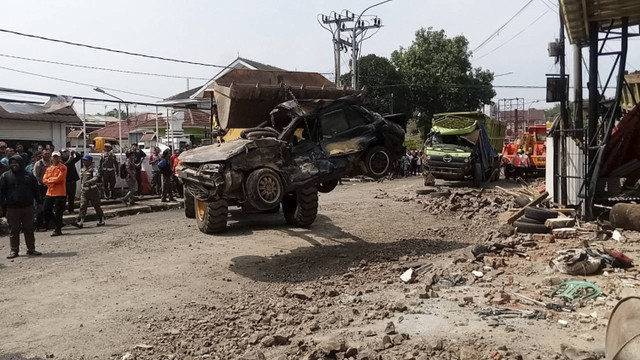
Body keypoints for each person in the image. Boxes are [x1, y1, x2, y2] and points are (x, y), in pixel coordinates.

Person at [0, 154, 43, 258]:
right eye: (11, 163)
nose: (14, 164)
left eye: (16, 162)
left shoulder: (29, 176)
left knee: (29, 228)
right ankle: (14, 250)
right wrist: (1, 205)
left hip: (27, 207)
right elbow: (1, 192)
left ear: (21, 163)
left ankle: (31, 249)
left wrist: (39, 203)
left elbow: (36, 191)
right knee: (13, 230)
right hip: (12, 208)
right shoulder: (5, 176)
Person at [73, 155, 105, 228]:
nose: (84, 162)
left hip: (93, 190)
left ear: (90, 161)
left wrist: (89, 181)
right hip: (84, 191)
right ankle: (80, 222)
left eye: (86, 160)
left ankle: (101, 219)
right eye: (84, 160)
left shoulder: (94, 169)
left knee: (96, 206)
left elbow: (96, 178)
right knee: (82, 206)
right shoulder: (82, 170)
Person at [43, 151, 67, 237]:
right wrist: (52, 181)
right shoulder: (49, 168)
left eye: (57, 157)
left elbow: (59, 179)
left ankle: (58, 229)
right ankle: (58, 223)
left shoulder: (63, 167)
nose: (55, 158)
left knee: (58, 212)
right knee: (46, 210)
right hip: (50, 192)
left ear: (60, 158)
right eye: (54, 157)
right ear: (52, 158)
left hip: (60, 193)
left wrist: (50, 181)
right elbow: (44, 179)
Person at [34, 149, 52, 231]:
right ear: (42, 155)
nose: (47, 155)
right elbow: (36, 176)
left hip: (50, 186)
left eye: (48, 154)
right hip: (40, 187)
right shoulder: (39, 164)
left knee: (49, 206)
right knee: (41, 206)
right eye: (45, 154)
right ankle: (39, 225)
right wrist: (42, 183)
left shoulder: (51, 163)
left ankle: (47, 223)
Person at [61, 148, 82, 213]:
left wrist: (74, 152)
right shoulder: (60, 161)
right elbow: (64, 165)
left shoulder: (72, 160)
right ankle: (63, 210)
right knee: (63, 197)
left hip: (72, 180)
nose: (65, 154)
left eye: (66, 152)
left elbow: (79, 156)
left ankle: (71, 210)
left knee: (72, 196)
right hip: (64, 181)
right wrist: (70, 159)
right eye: (63, 152)